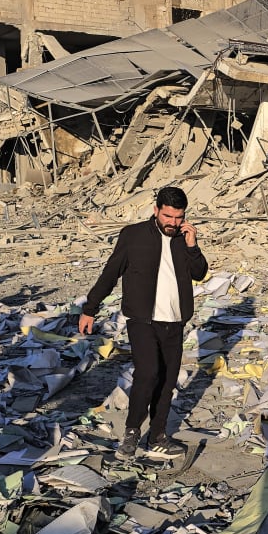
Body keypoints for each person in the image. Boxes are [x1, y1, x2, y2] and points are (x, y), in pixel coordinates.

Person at [78, 186, 208, 460]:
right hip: (142, 320)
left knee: (167, 380)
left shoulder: (183, 238)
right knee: (148, 373)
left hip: (175, 321)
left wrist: (192, 246)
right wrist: (90, 308)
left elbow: (199, 273)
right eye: (168, 216)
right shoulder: (133, 236)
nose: (173, 222)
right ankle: (132, 431)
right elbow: (110, 273)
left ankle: (158, 435)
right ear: (156, 211)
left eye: (178, 217)